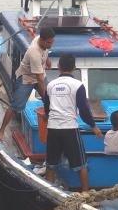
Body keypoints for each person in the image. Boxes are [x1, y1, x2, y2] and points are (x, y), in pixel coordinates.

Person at [43, 54, 102, 192]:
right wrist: (93, 126)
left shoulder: (50, 85)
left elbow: (47, 107)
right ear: (74, 68)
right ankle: (86, 194)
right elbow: (84, 109)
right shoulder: (78, 85)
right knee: (81, 164)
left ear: (59, 67)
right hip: (70, 129)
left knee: (51, 164)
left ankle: (47, 192)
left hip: (53, 129)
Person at [0, 27, 55, 141]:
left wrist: (47, 60)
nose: (51, 44)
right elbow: (40, 80)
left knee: (52, 100)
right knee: (15, 106)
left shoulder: (40, 40)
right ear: (42, 40)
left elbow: (46, 52)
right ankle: (1, 130)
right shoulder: (34, 53)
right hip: (26, 79)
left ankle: (52, 127)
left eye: (52, 42)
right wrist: (45, 98)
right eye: (49, 42)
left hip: (40, 73)